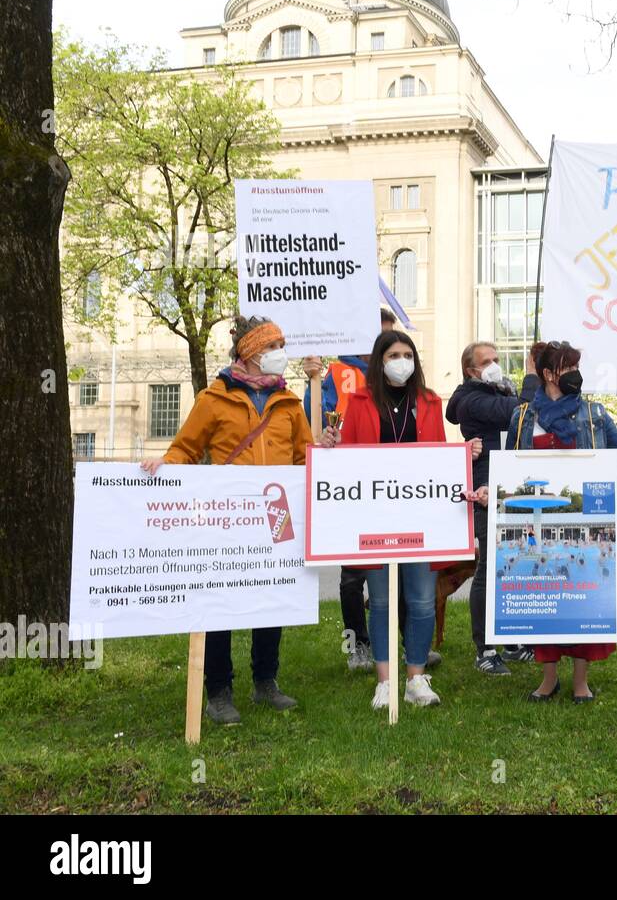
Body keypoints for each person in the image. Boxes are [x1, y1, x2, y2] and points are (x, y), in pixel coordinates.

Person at [140, 316, 314, 726]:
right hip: (228, 516)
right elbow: (186, 448)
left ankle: (265, 681)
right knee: (219, 601)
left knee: (272, 596)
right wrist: (163, 464)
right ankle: (218, 690)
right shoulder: (213, 399)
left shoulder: (288, 403)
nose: (281, 354)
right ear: (251, 353)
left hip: (276, 515)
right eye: (274, 346)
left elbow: (305, 458)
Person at [319, 330, 485, 710]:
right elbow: (345, 461)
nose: (402, 361)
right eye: (394, 354)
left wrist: (464, 454)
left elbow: (439, 457)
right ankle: (385, 681)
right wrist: (330, 446)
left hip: (421, 521)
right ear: (380, 361)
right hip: (375, 521)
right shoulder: (359, 403)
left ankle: (415, 678)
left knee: (423, 600)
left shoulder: (428, 400)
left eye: (407, 354)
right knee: (379, 602)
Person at [505, 340, 617, 703]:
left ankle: (580, 680)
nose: (575, 375)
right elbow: (508, 465)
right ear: (547, 374)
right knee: (542, 598)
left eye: (577, 367)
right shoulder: (522, 417)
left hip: (589, 522)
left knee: (584, 595)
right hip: (537, 524)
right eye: (567, 368)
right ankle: (548, 679)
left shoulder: (595, 414)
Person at [302, 308, 397, 673]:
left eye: (389, 336)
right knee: (353, 574)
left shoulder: (396, 370)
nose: (384, 343)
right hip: (352, 484)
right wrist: (313, 382)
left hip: (394, 483)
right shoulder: (339, 373)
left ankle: (396, 644)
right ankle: (356, 645)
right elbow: (316, 417)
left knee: (397, 569)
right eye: (378, 335)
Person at [446, 341, 542, 675]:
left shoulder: (499, 389)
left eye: (497, 359)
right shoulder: (472, 400)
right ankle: (484, 648)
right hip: (486, 485)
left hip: (510, 480)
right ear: (471, 371)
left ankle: (512, 640)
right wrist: (531, 377)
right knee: (489, 568)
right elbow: (519, 412)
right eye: (487, 361)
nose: (495, 365)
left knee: (513, 562)